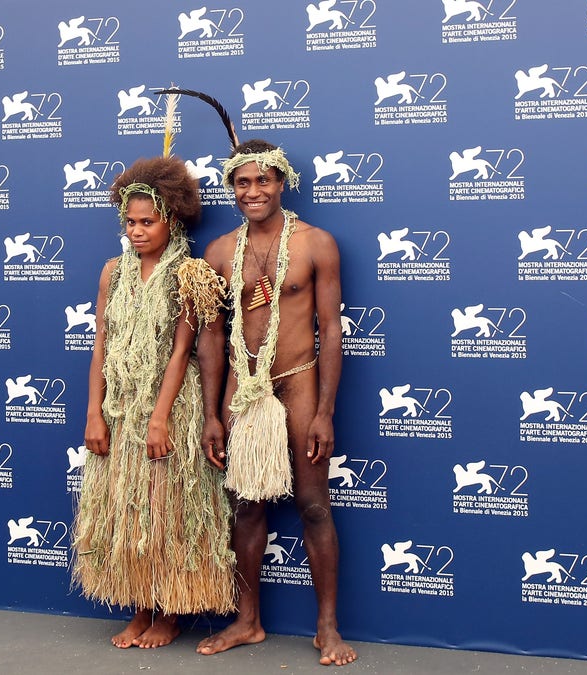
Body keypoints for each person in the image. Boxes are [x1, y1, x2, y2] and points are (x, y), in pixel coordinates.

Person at [195, 139, 356, 666]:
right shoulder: (218, 253)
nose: (254, 191)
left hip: (301, 382)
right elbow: (212, 339)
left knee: (313, 505)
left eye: (264, 180)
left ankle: (326, 627)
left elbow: (330, 330)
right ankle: (248, 621)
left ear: (282, 182)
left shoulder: (315, 244)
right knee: (245, 507)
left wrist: (326, 411)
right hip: (245, 390)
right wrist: (212, 412)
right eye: (243, 182)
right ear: (231, 188)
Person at [72, 155, 236, 649]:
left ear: (173, 219)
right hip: (120, 406)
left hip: (172, 410)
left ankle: (169, 611)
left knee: (166, 511)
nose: (137, 231)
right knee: (129, 511)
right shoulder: (112, 272)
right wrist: (93, 412)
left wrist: (160, 418)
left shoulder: (192, 273)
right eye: (130, 221)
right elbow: (101, 343)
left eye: (147, 222)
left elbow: (183, 350)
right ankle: (141, 606)